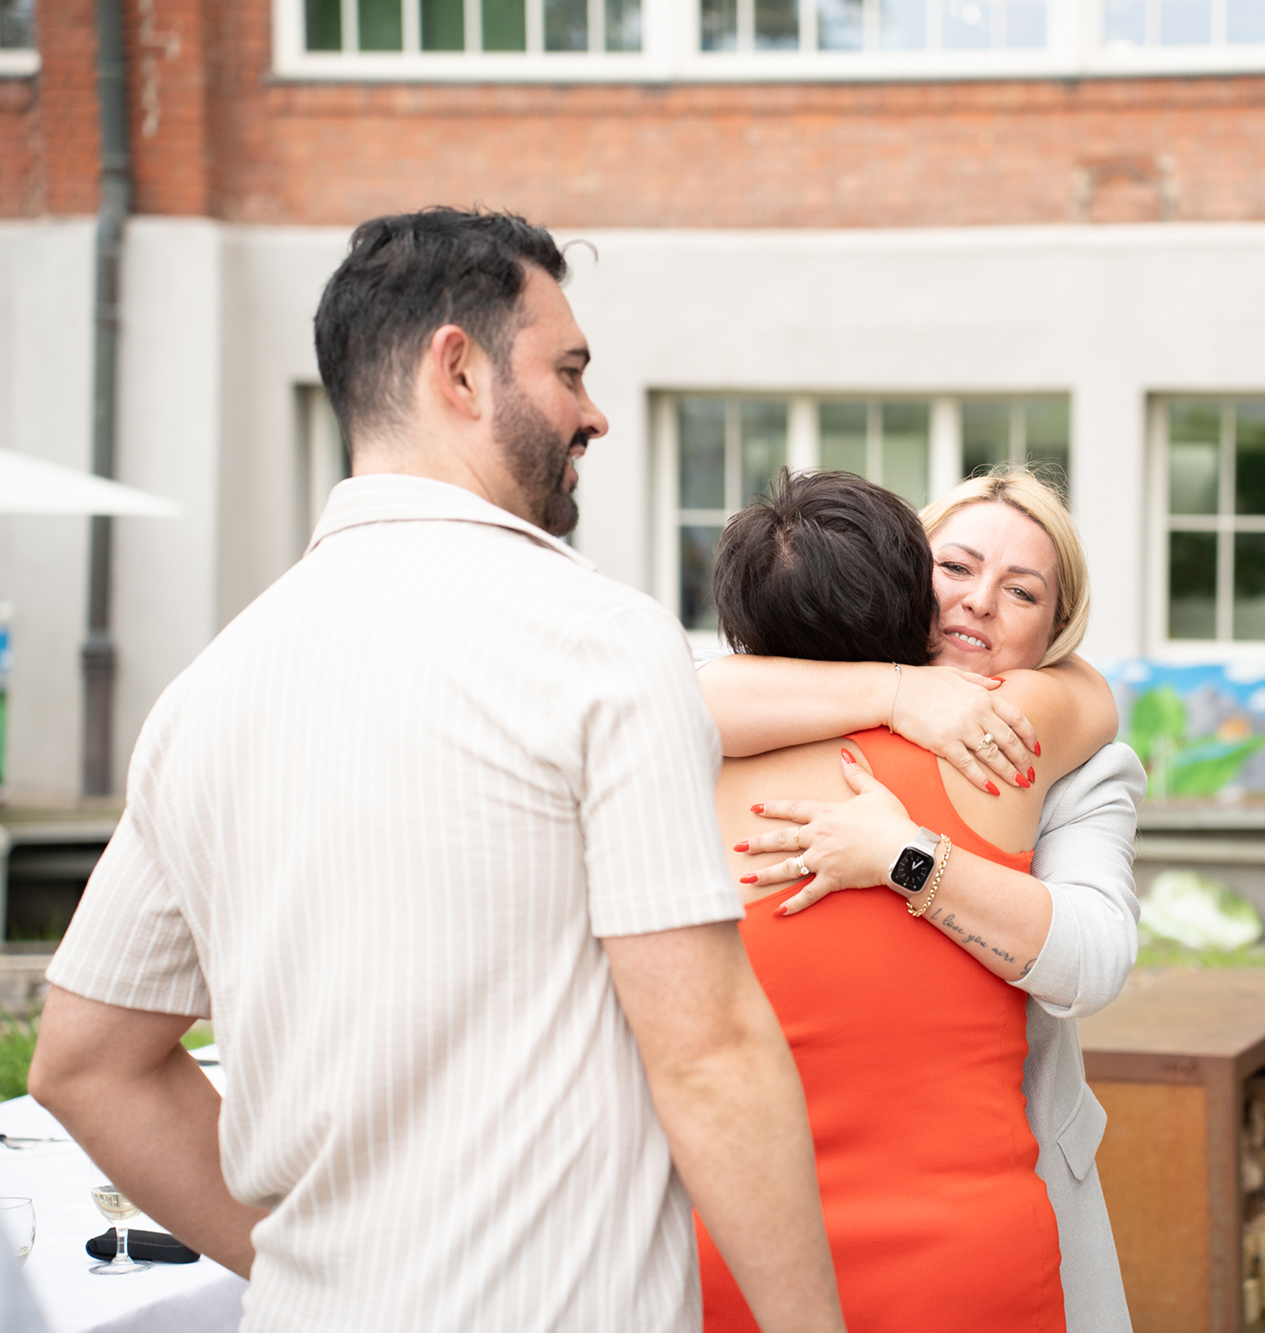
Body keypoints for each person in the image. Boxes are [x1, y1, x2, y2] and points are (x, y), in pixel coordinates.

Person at [27, 210, 844, 1332]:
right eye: (568, 372)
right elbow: (707, 1055)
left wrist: (311, 1270)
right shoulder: (600, 641)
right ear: (457, 370)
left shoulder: (201, 695)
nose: (594, 413)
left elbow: (84, 1063)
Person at [690, 467, 1123, 1331]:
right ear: (898, 571)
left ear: (1056, 629)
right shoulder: (742, 714)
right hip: (945, 1236)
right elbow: (689, 690)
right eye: (954, 567)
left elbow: (1094, 960)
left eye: (1023, 591)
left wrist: (908, 856)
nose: (979, 602)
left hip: (793, 1229)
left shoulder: (1036, 741)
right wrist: (894, 689)